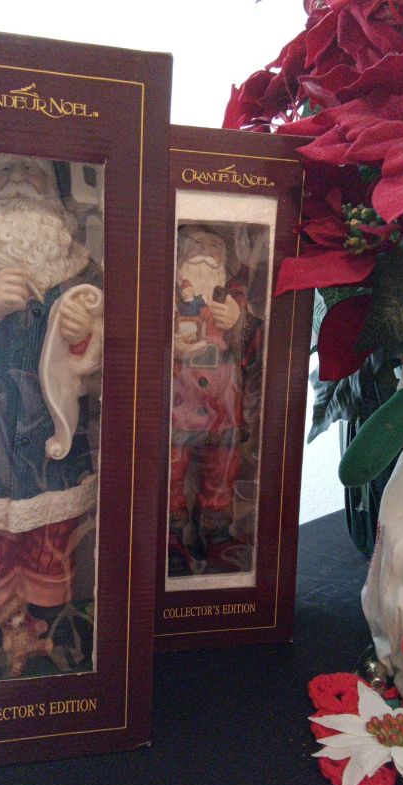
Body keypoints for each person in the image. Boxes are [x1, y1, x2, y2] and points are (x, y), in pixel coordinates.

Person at [0, 153, 103, 677]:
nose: (18, 179)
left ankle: (51, 635)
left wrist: (84, 335)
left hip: (53, 434)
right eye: (5, 171)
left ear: (54, 192)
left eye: (32, 171)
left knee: (53, 536)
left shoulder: (79, 267)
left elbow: (108, 344)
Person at [168, 226, 261, 576]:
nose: (206, 253)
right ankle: (171, 534)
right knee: (171, 468)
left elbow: (256, 353)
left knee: (224, 469)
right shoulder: (167, 298)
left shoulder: (234, 301)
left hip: (223, 404)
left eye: (213, 247)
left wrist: (240, 323)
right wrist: (170, 345)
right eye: (196, 246)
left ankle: (216, 532)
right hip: (179, 402)